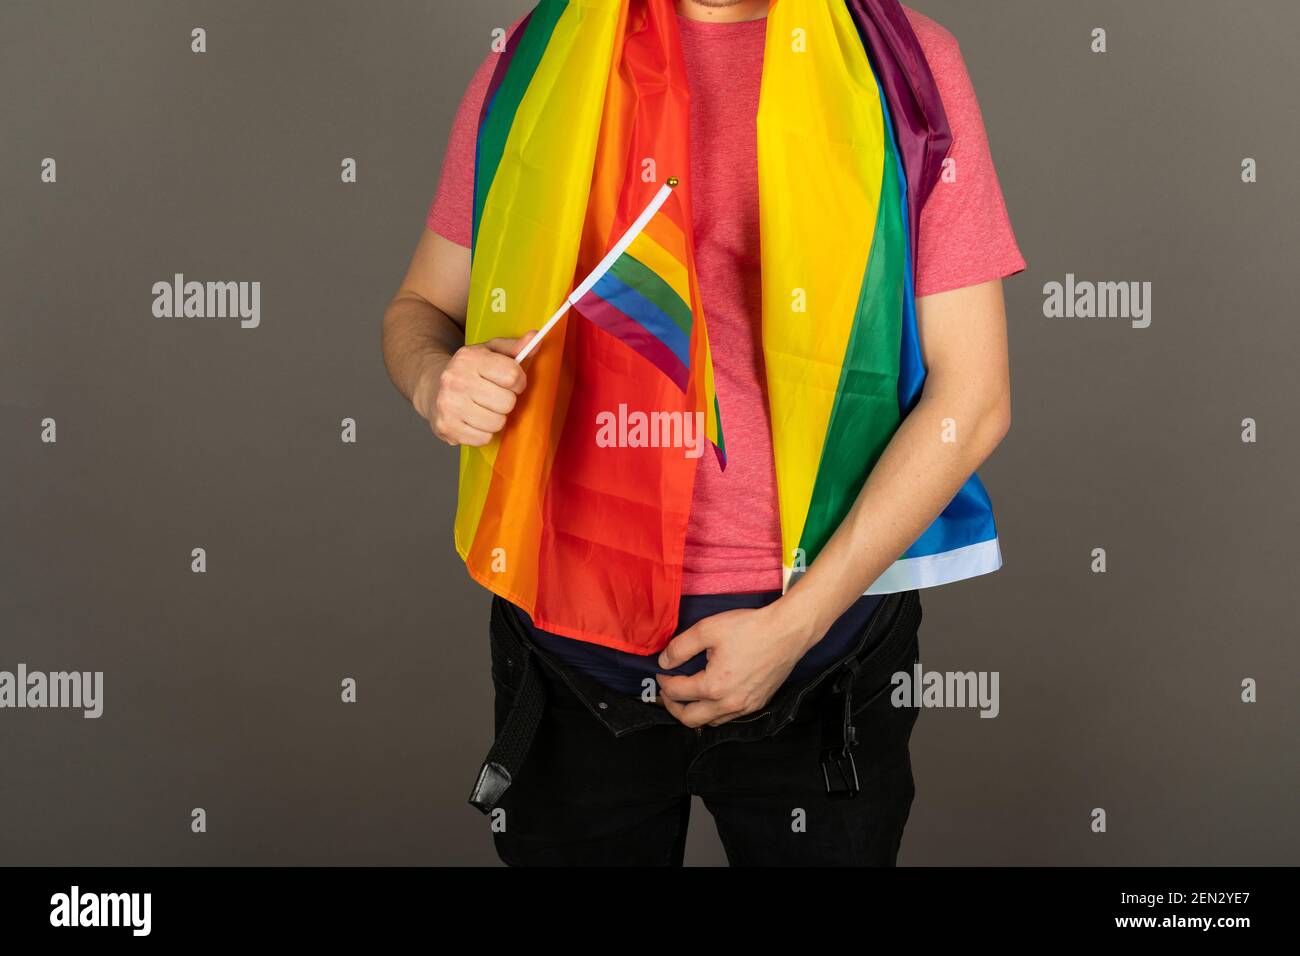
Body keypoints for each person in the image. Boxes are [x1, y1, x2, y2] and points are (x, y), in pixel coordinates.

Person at [382, 0, 1025, 866]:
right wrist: (435, 377)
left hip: (822, 658)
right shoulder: (536, 56)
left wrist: (795, 626)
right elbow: (420, 308)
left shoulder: (907, 67)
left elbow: (974, 396)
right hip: (572, 652)